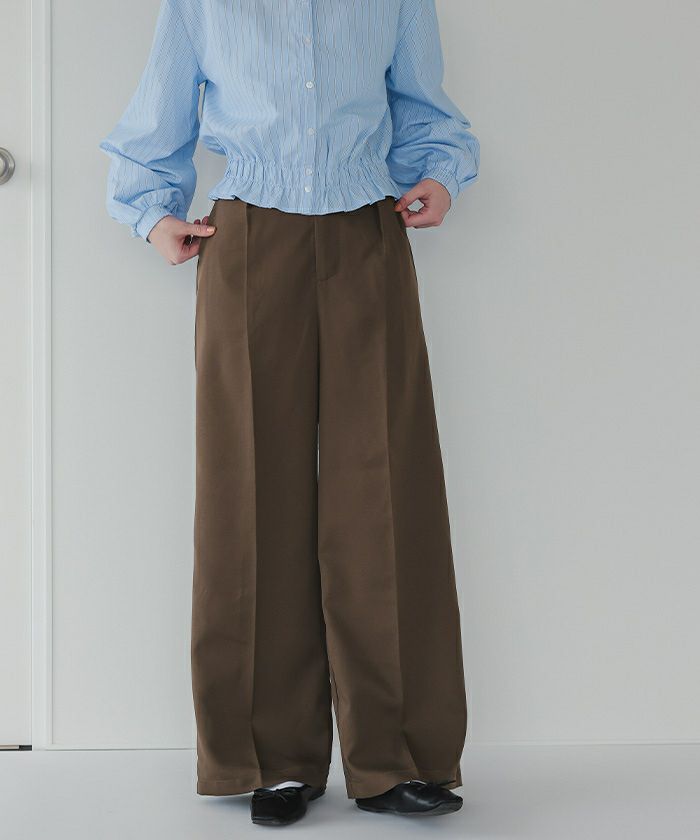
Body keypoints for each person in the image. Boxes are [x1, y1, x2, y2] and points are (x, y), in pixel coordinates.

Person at [98, 0, 479, 827]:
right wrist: (152, 213)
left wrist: (439, 174)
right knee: (249, 495)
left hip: (368, 235)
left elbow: (424, 107)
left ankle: (397, 758)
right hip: (247, 242)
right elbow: (154, 119)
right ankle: (270, 760)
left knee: (386, 491)